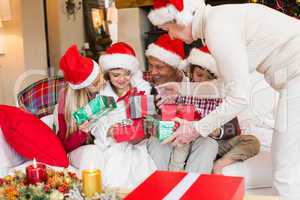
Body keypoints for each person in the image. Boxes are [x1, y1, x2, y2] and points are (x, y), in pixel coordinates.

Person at [148, 0, 300, 199]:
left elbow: (238, 98)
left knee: (286, 171)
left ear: (180, 18)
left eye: (168, 28)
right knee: (288, 166)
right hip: (293, 80)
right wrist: (183, 89)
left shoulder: (217, 28)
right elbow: (230, 83)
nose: (171, 35)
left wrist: (196, 129)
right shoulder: (220, 19)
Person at [145, 34, 218, 173]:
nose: (153, 72)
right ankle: (161, 188)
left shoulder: (204, 87)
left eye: (159, 67)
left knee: (208, 144)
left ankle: (192, 189)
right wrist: (155, 122)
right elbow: (143, 119)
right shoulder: (146, 85)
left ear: (176, 68)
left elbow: (230, 125)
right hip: (165, 134)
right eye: (151, 66)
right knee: (156, 142)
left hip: (197, 135)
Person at [187, 46, 260, 174]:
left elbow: (233, 129)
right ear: (191, 73)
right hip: (193, 142)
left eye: (209, 78)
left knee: (252, 141)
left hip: (219, 144)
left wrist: (217, 131)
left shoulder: (222, 97)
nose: (203, 81)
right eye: (199, 75)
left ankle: (219, 164)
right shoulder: (186, 95)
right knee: (206, 144)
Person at [93, 42, 156, 188]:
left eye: (126, 74)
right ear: (108, 74)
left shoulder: (141, 90)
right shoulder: (103, 95)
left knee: (140, 164)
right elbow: (95, 123)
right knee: (117, 166)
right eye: (116, 75)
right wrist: (109, 130)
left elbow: (149, 119)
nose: (122, 79)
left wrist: (144, 128)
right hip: (114, 143)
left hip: (138, 143)